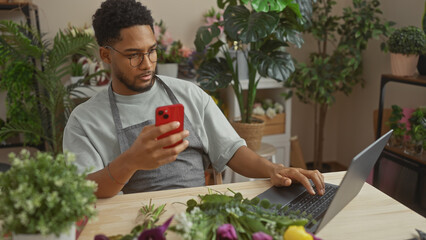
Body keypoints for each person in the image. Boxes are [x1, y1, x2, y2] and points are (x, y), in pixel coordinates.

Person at [63, 0, 325, 198]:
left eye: (152, 51)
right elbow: (84, 190)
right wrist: (130, 161)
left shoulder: (189, 94)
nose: (147, 64)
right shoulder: (85, 120)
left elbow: (231, 150)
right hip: (138, 224)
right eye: (133, 55)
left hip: (199, 215)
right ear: (106, 56)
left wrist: (272, 169)